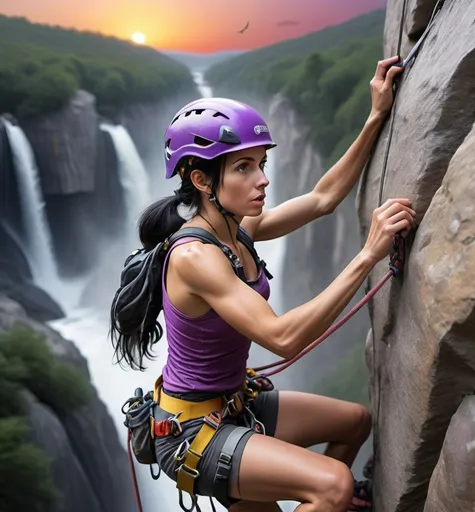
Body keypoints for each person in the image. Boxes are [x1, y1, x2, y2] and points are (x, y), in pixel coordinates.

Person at [111, 55, 416, 512]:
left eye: (261, 163)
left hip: (235, 405)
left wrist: (376, 115)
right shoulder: (196, 257)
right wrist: (369, 255)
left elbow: (323, 198)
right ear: (201, 179)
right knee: (333, 485)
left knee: (355, 422)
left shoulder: (238, 229)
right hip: (193, 432)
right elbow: (283, 338)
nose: (263, 179)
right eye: (244, 168)